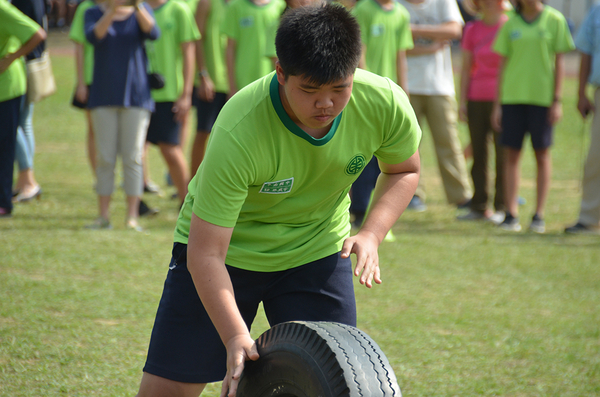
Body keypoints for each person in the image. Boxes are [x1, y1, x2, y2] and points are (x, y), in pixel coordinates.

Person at [135, 4, 421, 396]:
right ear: (280, 72)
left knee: (339, 380)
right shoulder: (240, 128)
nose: (326, 104)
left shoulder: (383, 102)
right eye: (310, 90)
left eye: (340, 88)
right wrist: (236, 336)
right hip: (227, 254)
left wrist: (370, 233)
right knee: (167, 391)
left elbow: (404, 169)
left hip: (316, 249)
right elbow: (206, 253)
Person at [491, 0, 574, 233]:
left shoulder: (555, 20)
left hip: (542, 101)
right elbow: (502, 67)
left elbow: (560, 63)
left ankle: (539, 214)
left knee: (542, 155)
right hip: (512, 99)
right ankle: (511, 213)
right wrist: (498, 105)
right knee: (511, 155)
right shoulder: (510, 24)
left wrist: (557, 100)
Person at [84, 0, 159, 230]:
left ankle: (132, 216)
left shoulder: (140, 11)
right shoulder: (93, 12)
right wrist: (112, 11)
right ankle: (103, 216)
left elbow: (154, 32)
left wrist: (135, 7)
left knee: (133, 157)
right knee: (105, 157)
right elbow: (94, 36)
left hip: (136, 96)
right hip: (103, 96)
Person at [398, 0, 472, 212]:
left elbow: (455, 29)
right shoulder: (395, 4)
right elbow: (395, 44)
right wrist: (433, 42)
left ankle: (461, 195)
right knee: (407, 146)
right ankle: (411, 195)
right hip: (406, 84)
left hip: (439, 85)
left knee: (449, 143)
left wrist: (412, 31)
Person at [349, 0, 413, 228]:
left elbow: (400, 56)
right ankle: (359, 207)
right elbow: (359, 53)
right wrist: (367, 89)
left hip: (389, 96)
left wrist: (403, 93)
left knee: (384, 157)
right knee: (363, 153)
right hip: (366, 95)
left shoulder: (402, 14)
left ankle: (378, 209)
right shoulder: (363, 10)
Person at [456, 0, 509, 223]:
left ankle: (503, 206)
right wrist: (462, 101)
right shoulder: (472, 29)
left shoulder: (509, 26)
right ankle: (479, 206)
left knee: (504, 154)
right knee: (479, 153)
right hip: (476, 96)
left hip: (505, 98)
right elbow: (466, 67)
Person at [144, 0, 200, 205]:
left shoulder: (178, 10)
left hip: (169, 94)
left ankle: (187, 202)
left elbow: (188, 53)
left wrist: (185, 93)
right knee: (136, 149)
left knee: (170, 148)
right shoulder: (138, 9)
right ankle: (138, 202)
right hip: (139, 94)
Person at [0, 0, 46, 217]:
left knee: (9, 138)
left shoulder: (2, 8)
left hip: (8, 86)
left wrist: (9, 58)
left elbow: (37, 33)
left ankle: (14, 192)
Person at [565, 4, 600, 235]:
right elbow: (585, 50)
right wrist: (581, 94)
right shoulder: (597, 11)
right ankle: (589, 218)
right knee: (596, 158)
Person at [11, 0, 47, 203]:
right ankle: (25, 180)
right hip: (33, 60)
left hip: (21, 61)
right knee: (24, 122)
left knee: (13, 122)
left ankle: (27, 179)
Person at [189, 0, 229, 175]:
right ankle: (193, 189)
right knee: (203, 132)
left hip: (236, 82)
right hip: (212, 82)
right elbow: (196, 39)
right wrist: (203, 75)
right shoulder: (206, 2)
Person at [221, 0, 285, 96]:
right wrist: (232, 87)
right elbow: (230, 48)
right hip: (243, 82)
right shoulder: (235, 6)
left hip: (272, 80)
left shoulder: (280, 5)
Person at [69, 0, 97, 181]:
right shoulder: (86, 8)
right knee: (94, 130)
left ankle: (140, 179)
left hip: (121, 81)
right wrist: (80, 83)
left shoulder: (127, 5)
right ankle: (99, 176)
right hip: (92, 78)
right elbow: (79, 46)